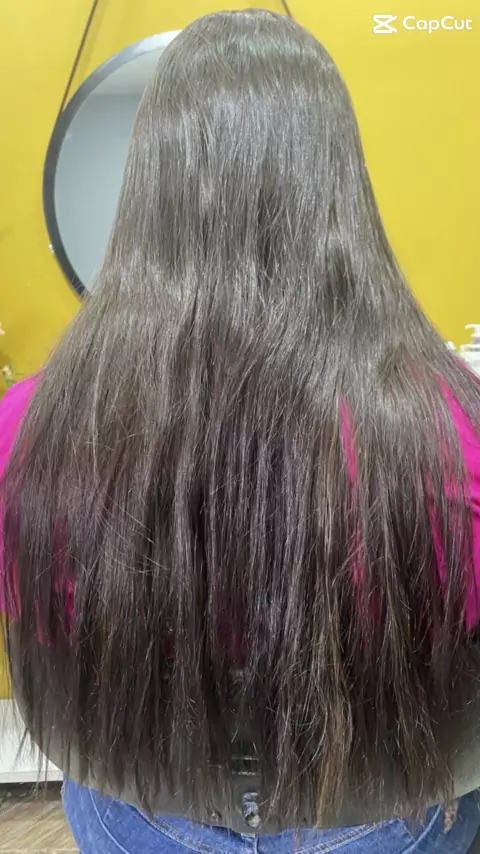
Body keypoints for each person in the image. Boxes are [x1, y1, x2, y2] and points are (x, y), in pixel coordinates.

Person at [1, 9, 480, 853]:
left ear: (145, 187)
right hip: (386, 815)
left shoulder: (29, 432)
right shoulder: (450, 434)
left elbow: (42, 626)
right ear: (341, 191)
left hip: (139, 810)